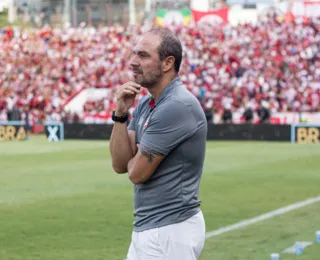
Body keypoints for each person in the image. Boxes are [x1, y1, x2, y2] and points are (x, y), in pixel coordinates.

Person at [109, 28, 207, 260]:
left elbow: (136, 174)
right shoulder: (146, 104)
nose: (133, 62)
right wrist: (120, 113)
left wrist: (136, 157)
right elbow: (120, 164)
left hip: (170, 232)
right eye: (134, 54)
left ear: (167, 63)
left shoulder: (176, 106)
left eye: (143, 55)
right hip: (150, 227)